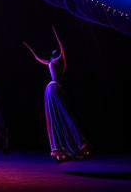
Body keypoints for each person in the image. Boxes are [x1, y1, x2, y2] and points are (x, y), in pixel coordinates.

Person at [24, 27, 90, 162]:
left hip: (54, 87)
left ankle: (73, 146)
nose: (53, 52)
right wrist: (29, 48)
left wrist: (56, 34)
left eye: (55, 51)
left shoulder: (58, 60)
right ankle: (61, 149)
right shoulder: (50, 61)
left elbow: (61, 47)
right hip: (50, 88)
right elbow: (38, 58)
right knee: (54, 116)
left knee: (62, 115)